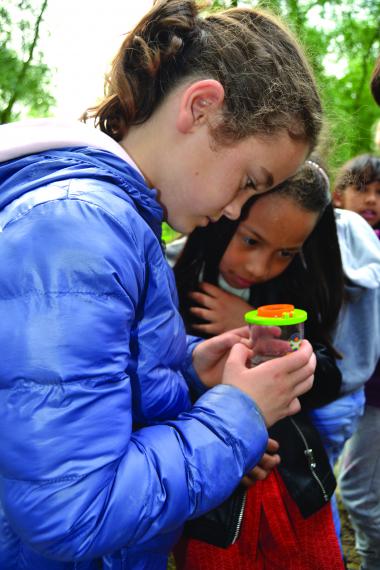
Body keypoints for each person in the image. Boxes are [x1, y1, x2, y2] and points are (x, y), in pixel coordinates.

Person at [0, 1, 322, 569]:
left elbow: (89, 391)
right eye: (249, 182)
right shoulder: (79, 230)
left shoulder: (121, 224)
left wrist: (194, 368)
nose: (234, 212)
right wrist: (240, 413)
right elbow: (74, 511)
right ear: (200, 108)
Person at [170, 160, 346, 569]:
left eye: (286, 253)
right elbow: (155, 388)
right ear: (222, 212)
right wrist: (222, 450)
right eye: (250, 241)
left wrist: (251, 324)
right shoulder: (170, 282)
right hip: (213, 504)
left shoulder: (290, 289)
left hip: (293, 482)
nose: (258, 267)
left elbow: (329, 378)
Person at [333, 154, 380, 569]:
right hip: (353, 391)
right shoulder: (328, 238)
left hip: (374, 394)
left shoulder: (370, 246)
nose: (372, 200)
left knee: (356, 490)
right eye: (361, 188)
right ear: (338, 197)